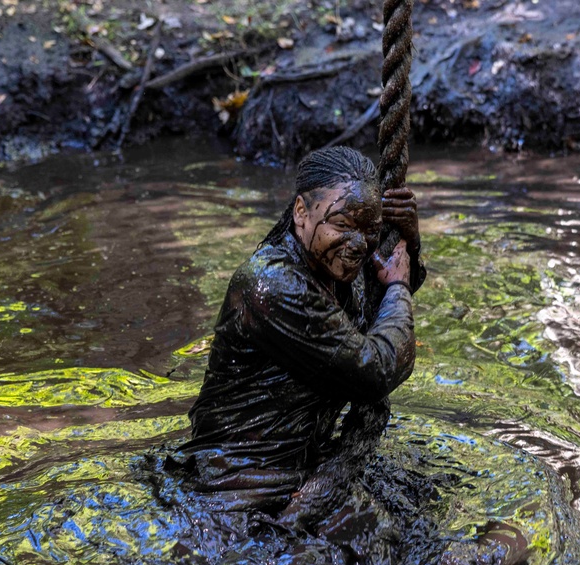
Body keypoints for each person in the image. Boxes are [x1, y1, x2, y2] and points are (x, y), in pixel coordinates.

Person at [169, 146, 425, 519]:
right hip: (238, 489)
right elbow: (376, 369)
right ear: (301, 212)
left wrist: (408, 241)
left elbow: (381, 306)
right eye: (341, 226)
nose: (358, 245)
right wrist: (399, 286)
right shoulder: (274, 284)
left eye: (370, 231)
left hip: (302, 471)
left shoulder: (336, 271)